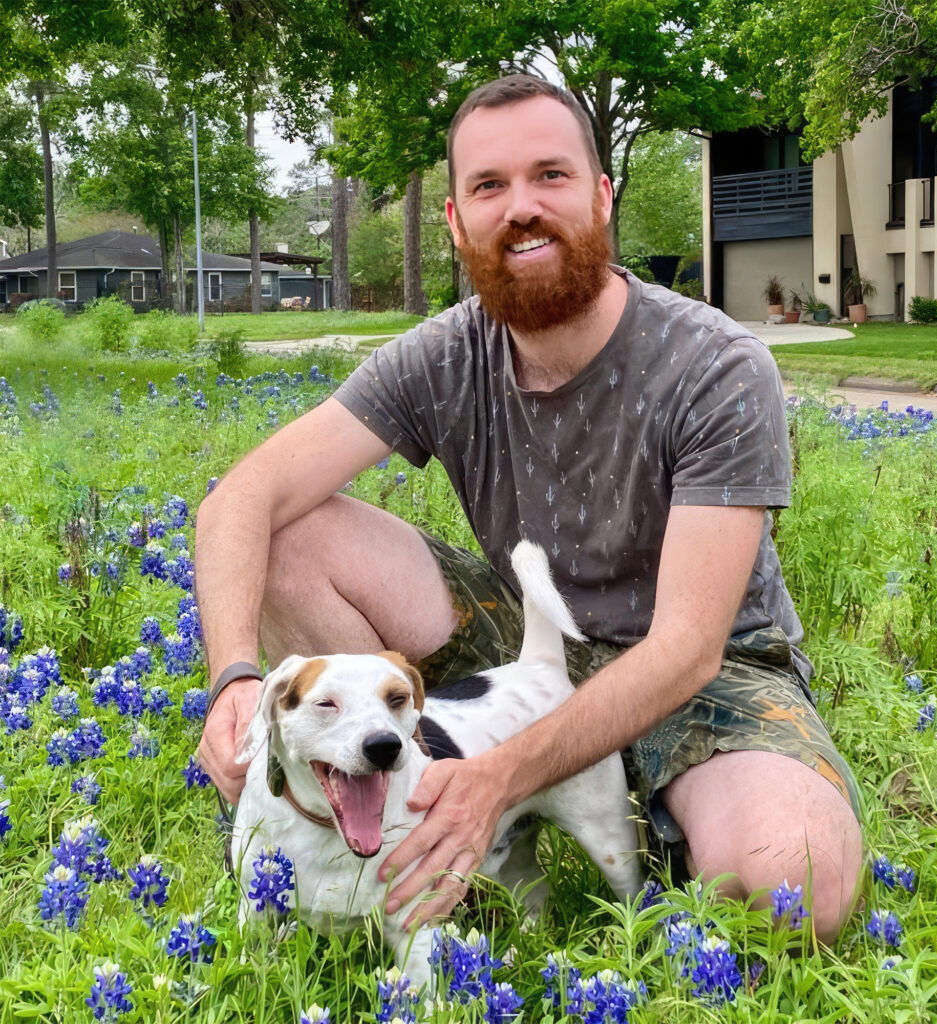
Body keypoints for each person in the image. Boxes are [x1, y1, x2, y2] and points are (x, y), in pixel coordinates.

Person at [196, 74, 862, 943]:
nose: (522, 209)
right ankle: (391, 809)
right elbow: (241, 498)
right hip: (531, 642)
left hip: (703, 675)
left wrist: (497, 778)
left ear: (601, 195)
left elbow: (687, 649)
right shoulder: (443, 356)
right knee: (286, 534)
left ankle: (610, 813)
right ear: (455, 221)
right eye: (489, 186)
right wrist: (235, 678)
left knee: (795, 885)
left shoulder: (715, 367)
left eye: (551, 175)